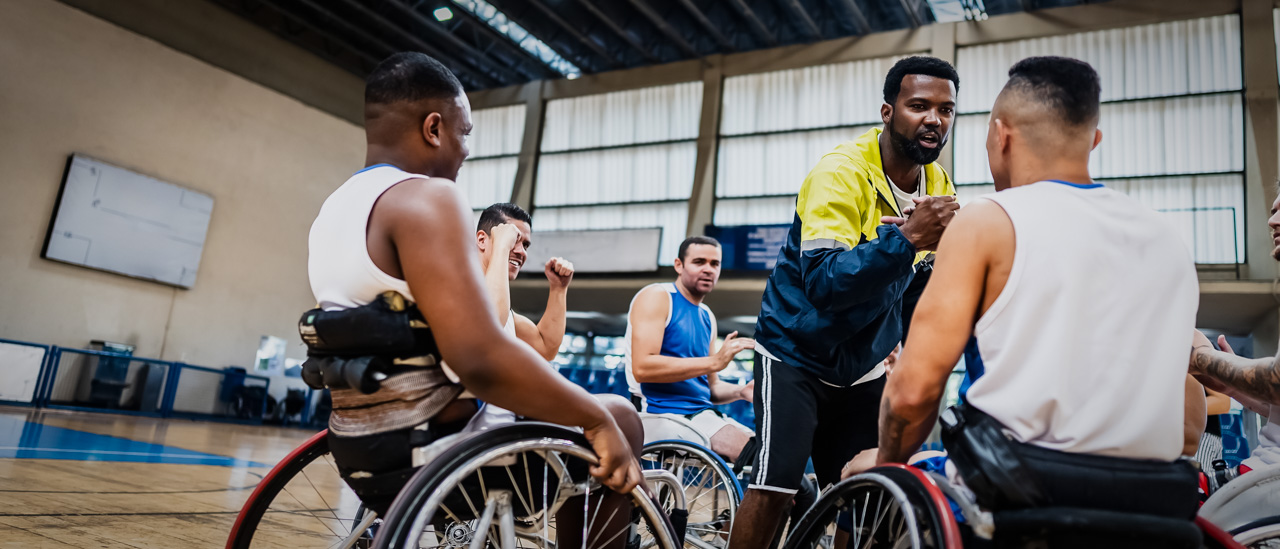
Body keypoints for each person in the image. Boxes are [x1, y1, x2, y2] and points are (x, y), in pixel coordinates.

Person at [846, 56, 1200, 526]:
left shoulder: (988, 221)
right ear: (1094, 140)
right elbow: (1190, 420)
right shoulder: (1167, 240)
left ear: (1001, 136)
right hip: (1154, 501)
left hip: (1017, 490)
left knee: (860, 473)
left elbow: (912, 395)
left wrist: (887, 463)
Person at [302, 52, 641, 520]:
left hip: (358, 447)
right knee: (620, 415)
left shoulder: (334, 210)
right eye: (464, 134)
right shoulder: (427, 197)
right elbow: (481, 359)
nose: (465, 151)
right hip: (438, 455)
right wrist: (596, 418)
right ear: (433, 128)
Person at [729, 56, 960, 549]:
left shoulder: (938, 185)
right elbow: (824, 284)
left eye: (945, 110)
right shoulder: (839, 174)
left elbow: (919, 286)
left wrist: (909, 348)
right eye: (919, 106)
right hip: (795, 353)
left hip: (864, 365)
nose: (934, 120)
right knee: (776, 487)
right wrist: (906, 240)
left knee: (867, 495)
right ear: (888, 111)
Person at [624, 236, 755, 460]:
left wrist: (740, 392)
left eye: (714, 264)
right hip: (659, 412)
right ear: (679, 265)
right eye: (699, 262)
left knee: (771, 455)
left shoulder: (707, 316)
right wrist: (715, 361)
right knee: (756, 458)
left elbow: (711, 387)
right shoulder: (657, 296)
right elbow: (643, 367)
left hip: (701, 415)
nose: (708, 269)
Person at [1190, 193, 1280, 480]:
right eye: (1273, 210)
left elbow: (1276, 382)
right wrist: (1231, 386)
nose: (1272, 220)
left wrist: (1203, 358)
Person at [465, 202, 575, 430]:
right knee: (616, 411)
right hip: (481, 428)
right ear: (482, 240)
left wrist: (558, 289)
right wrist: (501, 247)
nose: (522, 252)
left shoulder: (505, 310)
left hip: (511, 418)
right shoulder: (461, 289)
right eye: (513, 239)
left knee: (618, 410)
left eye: (525, 245)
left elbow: (546, 347)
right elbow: (489, 328)